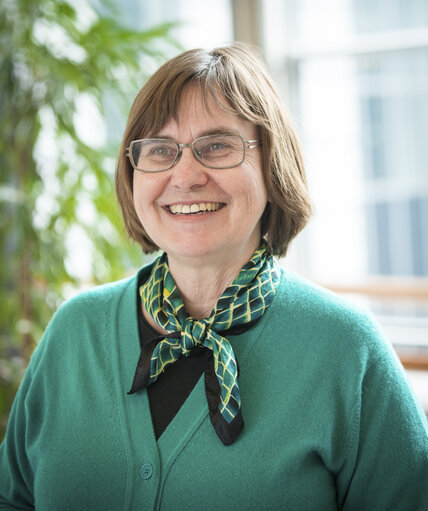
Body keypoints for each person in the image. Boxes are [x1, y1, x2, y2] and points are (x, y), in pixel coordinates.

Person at [1, 44, 427, 510]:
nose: (185, 175)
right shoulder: (74, 330)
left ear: (272, 164)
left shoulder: (345, 348)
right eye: (160, 150)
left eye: (217, 146)